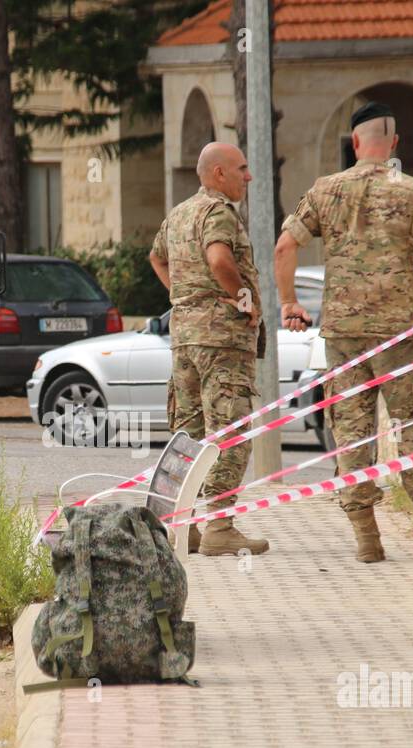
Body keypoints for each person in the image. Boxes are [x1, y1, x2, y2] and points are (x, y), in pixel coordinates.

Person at [274, 101, 413, 563]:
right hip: (399, 333)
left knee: (352, 432)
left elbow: (285, 246)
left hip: (343, 334)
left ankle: (367, 538)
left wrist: (289, 304)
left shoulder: (325, 190)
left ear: (356, 143)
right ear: (395, 145)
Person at [148, 142, 270, 557]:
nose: (248, 176)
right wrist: (243, 298)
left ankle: (186, 526)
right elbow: (219, 260)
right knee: (229, 431)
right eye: (242, 168)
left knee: (191, 434)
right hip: (221, 340)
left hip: (184, 337)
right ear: (219, 174)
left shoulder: (179, 213)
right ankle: (219, 525)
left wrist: (185, 298)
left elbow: (156, 257)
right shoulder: (218, 213)